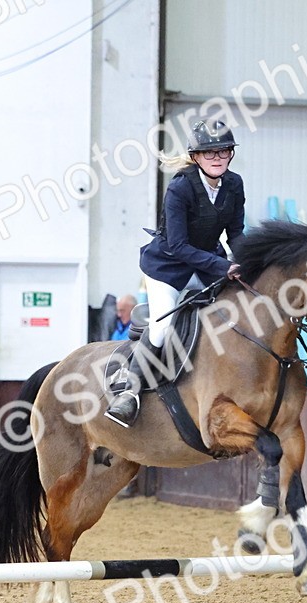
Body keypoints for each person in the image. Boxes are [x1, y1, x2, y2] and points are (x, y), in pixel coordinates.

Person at [104, 118, 246, 428]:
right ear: (196, 157)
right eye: (211, 153)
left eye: (224, 151)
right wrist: (225, 266)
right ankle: (129, 392)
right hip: (169, 266)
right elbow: (179, 246)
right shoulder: (180, 188)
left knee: (239, 310)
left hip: (208, 263)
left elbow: (235, 233)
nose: (218, 157)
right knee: (164, 325)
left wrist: (248, 261)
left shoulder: (234, 184)